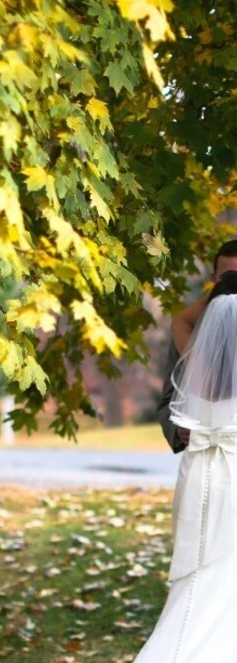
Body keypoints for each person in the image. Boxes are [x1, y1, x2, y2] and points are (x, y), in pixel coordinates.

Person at [133, 269, 237, 663]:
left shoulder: (197, 371)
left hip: (200, 474)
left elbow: (180, 319)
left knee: (199, 571)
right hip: (232, 475)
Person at [157, 240, 237, 453]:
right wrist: (178, 430)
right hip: (202, 454)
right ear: (214, 279)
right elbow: (168, 398)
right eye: (229, 277)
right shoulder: (188, 330)